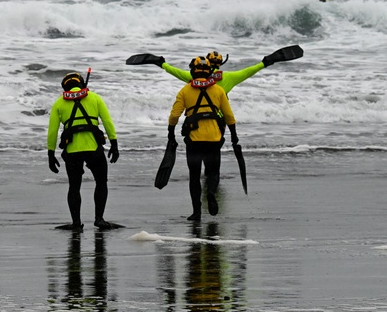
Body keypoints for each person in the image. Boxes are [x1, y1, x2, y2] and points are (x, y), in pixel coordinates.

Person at [46, 72, 119, 231]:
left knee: (74, 186)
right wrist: (114, 143)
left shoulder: (59, 102)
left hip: (72, 151)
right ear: (82, 84)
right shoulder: (95, 98)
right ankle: (99, 219)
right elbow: (107, 122)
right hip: (94, 149)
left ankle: (76, 223)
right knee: (101, 182)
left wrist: (50, 154)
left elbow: (52, 131)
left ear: (65, 86)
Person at [168, 57, 238, 221]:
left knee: (194, 176)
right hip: (214, 140)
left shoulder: (185, 91)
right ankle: (211, 193)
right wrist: (234, 136)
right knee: (213, 172)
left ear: (193, 71)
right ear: (209, 73)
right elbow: (229, 116)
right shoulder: (218, 91)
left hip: (194, 141)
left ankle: (196, 212)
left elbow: (174, 116)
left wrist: (170, 133)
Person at [129, 45, 302, 95]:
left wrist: (161, 63)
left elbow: (174, 71)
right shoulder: (229, 78)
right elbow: (250, 71)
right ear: (219, 65)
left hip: (195, 126)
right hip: (217, 125)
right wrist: (266, 62)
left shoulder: (192, 77)